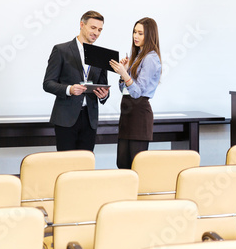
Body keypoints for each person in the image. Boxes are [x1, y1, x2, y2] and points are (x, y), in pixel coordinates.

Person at [43, 10, 110, 152]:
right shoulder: (61, 50)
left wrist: (104, 95)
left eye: (100, 30)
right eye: (93, 28)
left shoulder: (101, 55)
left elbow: (103, 85)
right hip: (65, 119)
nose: (96, 33)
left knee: (85, 165)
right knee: (66, 164)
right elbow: (48, 83)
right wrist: (69, 89)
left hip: (90, 119)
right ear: (81, 25)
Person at [109, 17, 162, 169]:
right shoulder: (137, 56)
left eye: (140, 33)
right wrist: (123, 73)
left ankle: (137, 194)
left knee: (136, 165)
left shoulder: (151, 58)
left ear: (150, 35)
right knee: (122, 163)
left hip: (139, 114)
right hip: (127, 114)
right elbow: (124, 90)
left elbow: (137, 92)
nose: (135, 36)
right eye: (134, 32)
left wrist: (125, 74)